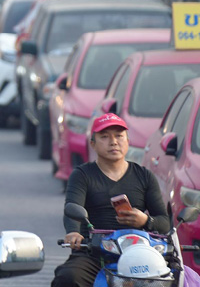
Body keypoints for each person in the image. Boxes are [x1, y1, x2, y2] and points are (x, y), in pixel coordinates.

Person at [52, 113, 169, 287]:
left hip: (139, 253)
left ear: (128, 141)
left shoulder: (145, 176)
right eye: (104, 137)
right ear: (93, 144)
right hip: (93, 253)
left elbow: (165, 222)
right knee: (68, 278)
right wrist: (74, 232)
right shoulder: (82, 175)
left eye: (119, 136)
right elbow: (72, 208)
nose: (113, 142)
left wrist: (145, 220)